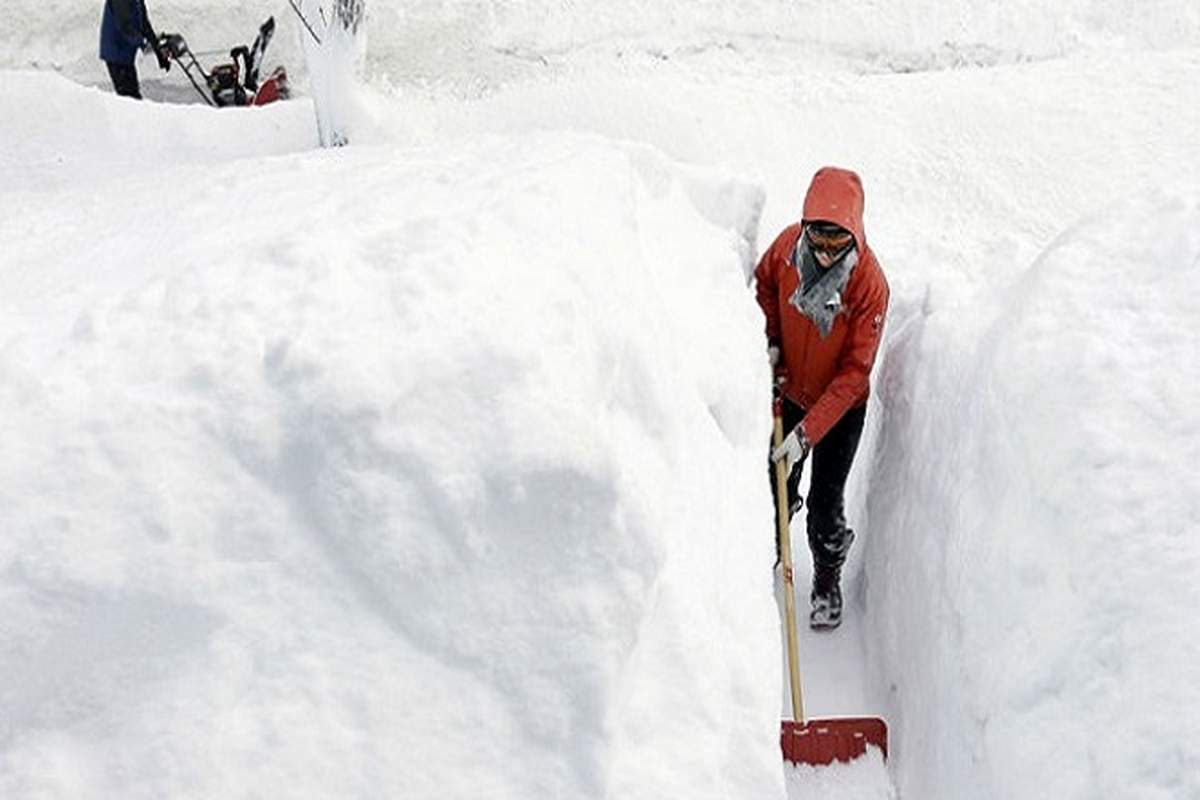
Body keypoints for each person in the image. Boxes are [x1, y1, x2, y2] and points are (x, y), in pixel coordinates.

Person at [754, 166, 889, 630]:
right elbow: (765, 285)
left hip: (839, 409)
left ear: (855, 233)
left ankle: (827, 580)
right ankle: (769, 556)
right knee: (777, 487)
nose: (827, 253)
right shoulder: (787, 252)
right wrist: (771, 340)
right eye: (819, 240)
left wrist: (807, 434)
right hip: (790, 389)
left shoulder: (869, 285)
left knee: (825, 503)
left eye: (838, 244)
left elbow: (855, 373)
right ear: (806, 227)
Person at [99, 0, 170, 99]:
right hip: (116, 53)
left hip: (126, 55)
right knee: (130, 98)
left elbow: (144, 24)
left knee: (132, 96)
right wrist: (142, 43)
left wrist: (158, 52)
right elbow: (124, 25)